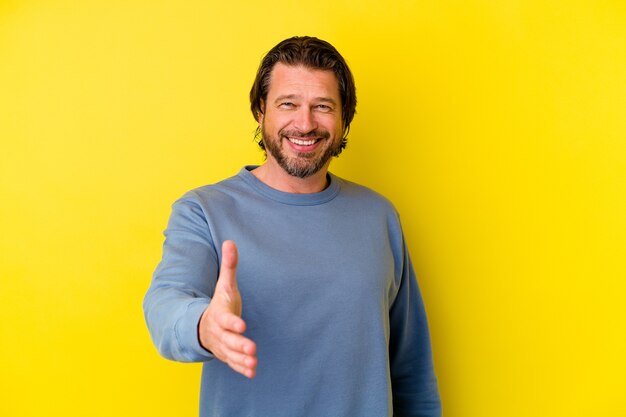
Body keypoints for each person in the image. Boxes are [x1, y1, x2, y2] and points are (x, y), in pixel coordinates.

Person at [143, 36, 441, 417]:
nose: (305, 123)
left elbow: (411, 369)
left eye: (323, 106)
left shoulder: (379, 216)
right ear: (260, 111)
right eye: (288, 104)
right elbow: (167, 299)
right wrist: (204, 326)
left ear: (344, 118)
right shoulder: (203, 210)